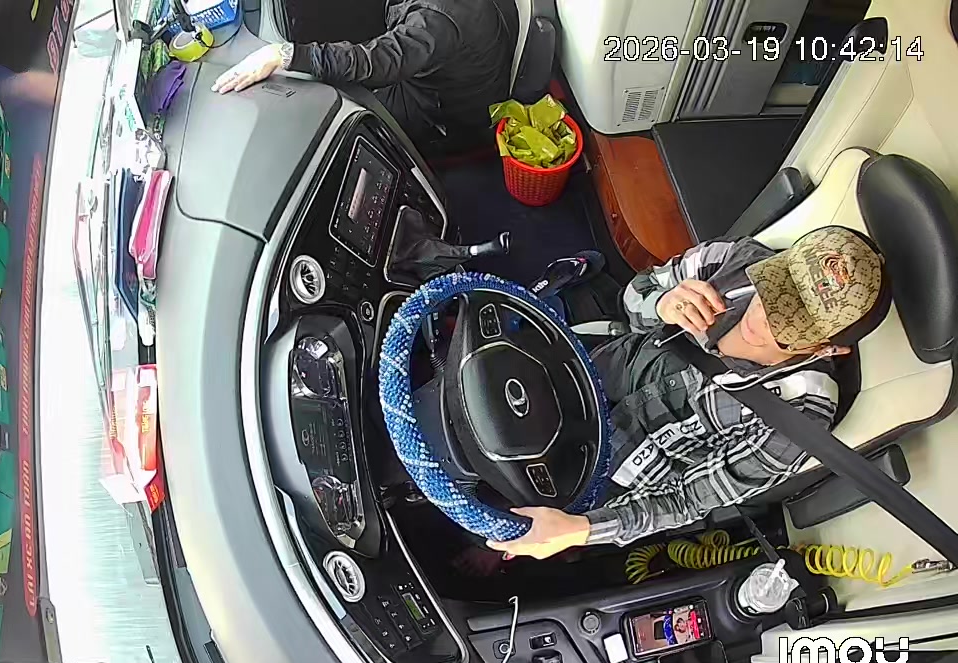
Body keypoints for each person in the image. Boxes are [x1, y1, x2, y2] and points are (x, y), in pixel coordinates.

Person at [488, 226, 890, 559]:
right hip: (588, 371)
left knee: (492, 532)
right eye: (776, 284)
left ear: (828, 348)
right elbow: (635, 295)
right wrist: (661, 304)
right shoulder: (734, 260)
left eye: (791, 320)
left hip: (609, 473)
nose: (763, 312)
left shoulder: (800, 417)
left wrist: (578, 530)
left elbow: (685, 500)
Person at [210, 0, 513, 156]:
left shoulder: (434, 21)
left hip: (441, 111)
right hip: (442, 71)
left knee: (343, 111)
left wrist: (285, 55)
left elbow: (376, 61)